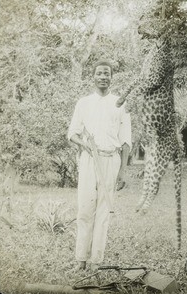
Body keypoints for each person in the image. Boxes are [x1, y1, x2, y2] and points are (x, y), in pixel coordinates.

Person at [68, 60, 131, 271]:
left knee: (104, 213)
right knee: (85, 210)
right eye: (99, 73)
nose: (103, 77)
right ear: (93, 77)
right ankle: (80, 261)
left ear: (112, 77)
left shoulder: (120, 103)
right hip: (88, 160)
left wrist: (122, 171)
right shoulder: (83, 103)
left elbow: (126, 141)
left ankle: (96, 262)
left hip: (111, 160)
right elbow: (72, 134)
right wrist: (84, 143)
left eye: (107, 73)